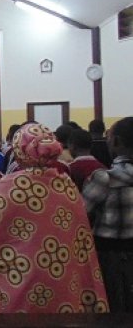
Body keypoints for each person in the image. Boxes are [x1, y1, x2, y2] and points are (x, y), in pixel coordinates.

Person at [0, 123, 108, 313]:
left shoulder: (4, 189)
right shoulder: (66, 185)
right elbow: (80, 237)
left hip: (21, 280)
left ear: (20, 151)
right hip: (64, 277)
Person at [83, 117, 133, 312]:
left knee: (114, 303)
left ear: (116, 142)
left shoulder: (104, 178)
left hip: (110, 253)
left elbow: (82, 212)